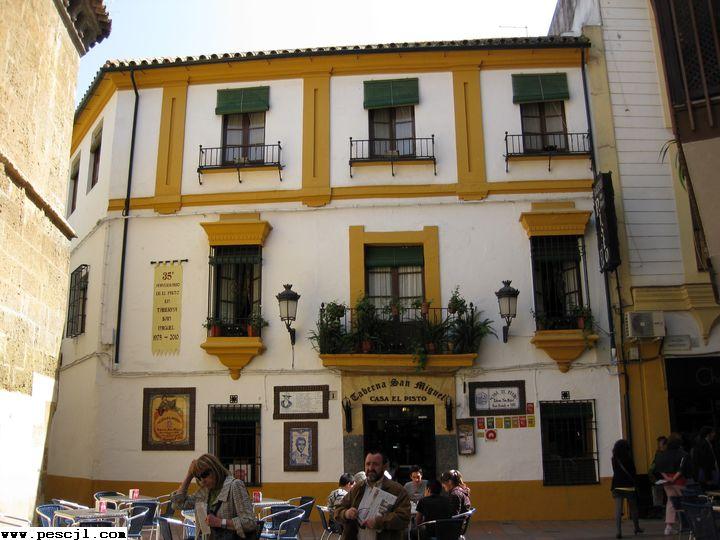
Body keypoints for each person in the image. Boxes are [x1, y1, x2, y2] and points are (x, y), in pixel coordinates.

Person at [172, 453, 257, 540]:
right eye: (198, 477)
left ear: (215, 469)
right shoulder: (204, 492)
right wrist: (189, 476)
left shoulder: (234, 485)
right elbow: (177, 504)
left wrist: (220, 522)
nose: (202, 481)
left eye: (204, 474)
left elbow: (250, 523)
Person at [334, 450, 411, 539]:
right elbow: (337, 510)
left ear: (385, 466)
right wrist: (346, 513)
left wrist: (379, 522)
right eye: (368, 464)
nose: (370, 468)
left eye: (375, 464)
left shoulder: (397, 490)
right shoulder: (358, 488)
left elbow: (404, 518)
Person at [654, 433, 690, 536]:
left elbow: (659, 467)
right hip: (679, 481)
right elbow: (682, 468)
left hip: (667, 482)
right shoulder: (683, 454)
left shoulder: (662, 454)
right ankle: (687, 525)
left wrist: (667, 478)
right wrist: (674, 478)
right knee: (686, 502)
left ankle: (668, 528)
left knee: (671, 503)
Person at [610, 439, 642, 539]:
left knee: (618, 510)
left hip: (617, 485)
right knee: (633, 508)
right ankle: (636, 527)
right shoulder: (628, 459)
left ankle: (618, 531)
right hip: (628, 486)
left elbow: (615, 471)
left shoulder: (614, 459)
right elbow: (633, 472)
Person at [648, 436, 668, 515]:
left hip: (663, 478)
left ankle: (660, 511)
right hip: (660, 479)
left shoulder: (661, 454)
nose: (660, 446)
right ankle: (659, 511)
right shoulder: (658, 454)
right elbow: (653, 467)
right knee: (658, 496)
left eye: (661, 444)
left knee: (660, 496)